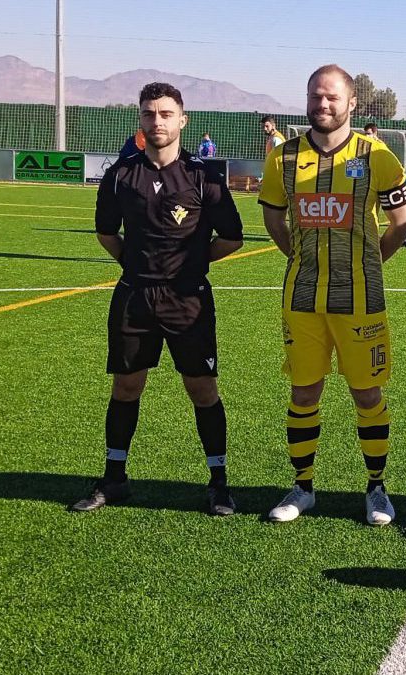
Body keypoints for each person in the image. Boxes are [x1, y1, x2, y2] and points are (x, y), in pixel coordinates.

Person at [72, 82, 244, 515]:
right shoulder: (121, 175)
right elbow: (106, 234)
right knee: (127, 386)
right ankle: (114, 479)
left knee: (202, 389)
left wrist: (192, 264)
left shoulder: (203, 177)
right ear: (141, 120)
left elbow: (233, 237)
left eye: (166, 114)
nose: (158, 121)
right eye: (150, 114)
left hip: (188, 300)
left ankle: (219, 483)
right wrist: (136, 266)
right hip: (134, 297)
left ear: (183, 120)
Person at [258, 64, 406, 525]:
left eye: (331, 97)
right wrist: (299, 259)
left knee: (367, 394)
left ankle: (376, 489)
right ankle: (302, 487)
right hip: (301, 299)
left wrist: (368, 265)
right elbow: (273, 219)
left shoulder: (377, 156)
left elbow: (401, 224)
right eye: (314, 96)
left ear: (351, 104)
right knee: (304, 391)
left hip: (360, 300)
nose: (322, 105)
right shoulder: (282, 158)